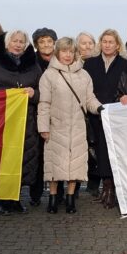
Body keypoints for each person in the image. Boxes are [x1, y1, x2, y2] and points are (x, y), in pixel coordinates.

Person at [0, 30, 42, 215]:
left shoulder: (33, 65)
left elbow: (43, 91)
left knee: (22, 159)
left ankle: (15, 198)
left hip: (26, 120)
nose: (18, 44)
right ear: (6, 43)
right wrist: (10, 92)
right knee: (1, 159)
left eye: (22, 41)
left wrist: (34, 94)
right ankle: (2, 199)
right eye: (15, 41)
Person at [38, 37, 102, 214]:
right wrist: (43, 127)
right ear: (57, 52)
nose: (67, 55)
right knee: (54, 164)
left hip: (78, 127)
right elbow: (44, 103)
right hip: (56, 126)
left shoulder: (84, 75)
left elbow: (90, 99)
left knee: (75, 165)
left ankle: (70, 199)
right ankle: (52, 198)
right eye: (64, 51)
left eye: (71, 51)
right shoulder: (49, 75)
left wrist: (99, 108)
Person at [83, 29, 127, 209]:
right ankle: (106, 186)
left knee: (115, 152)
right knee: (100, 152)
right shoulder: (90, 64)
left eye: (111, 42)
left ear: (118, 45)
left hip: (117, 115)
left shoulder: (125, 64)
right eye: (105, 41)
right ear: (100, 43)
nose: (107, 44)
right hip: (96, 113)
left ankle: (114, 190)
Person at [30, 27, 57, 205]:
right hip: (36, 113)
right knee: (37, 155)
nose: (46, 45)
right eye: (42, 42)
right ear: (36, 45)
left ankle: (59, 193)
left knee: (58, 154)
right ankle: (36, 193)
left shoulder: (62, 60)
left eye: (49, 41)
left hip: (58, 114)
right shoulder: (31, 63)